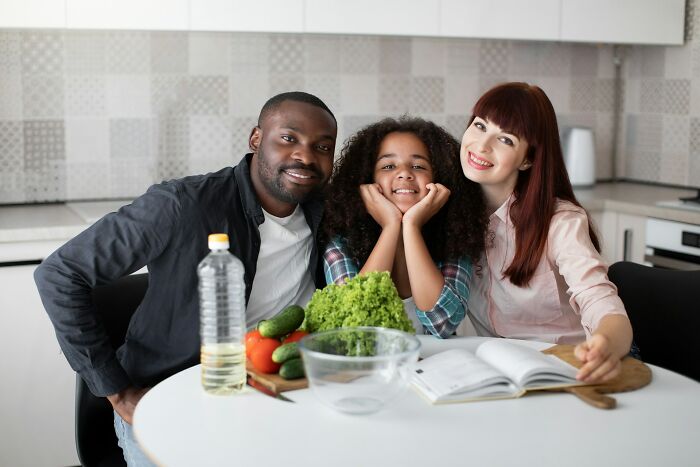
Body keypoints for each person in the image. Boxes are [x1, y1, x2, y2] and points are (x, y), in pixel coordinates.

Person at [34, 91, 337, 466]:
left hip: (275, 393)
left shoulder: (329, 213)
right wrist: (118, 393)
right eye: (288, 139)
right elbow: (60, 273)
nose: (306, 156)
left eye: (322, 146)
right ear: (256, 139)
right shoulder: (182, 204)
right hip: (169, 398)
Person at [459, 82, 633, 383]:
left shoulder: (560, 222)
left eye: (505, 139)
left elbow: (600, 302)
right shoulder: (453, 214)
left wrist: (605, 345)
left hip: (570, 371)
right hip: (500, 373)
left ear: (528, 159)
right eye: (479, 125)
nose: (482, 145)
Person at [323, 117, 487, 338]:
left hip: (435, 367)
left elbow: (443, 324)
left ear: (440, 179)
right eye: (388, 166)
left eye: (418, 166)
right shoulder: (341, 244)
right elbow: (353, 325)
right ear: (368, 179)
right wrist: (391, 227)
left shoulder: (456, 241)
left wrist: (411, 227)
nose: (404, 173)